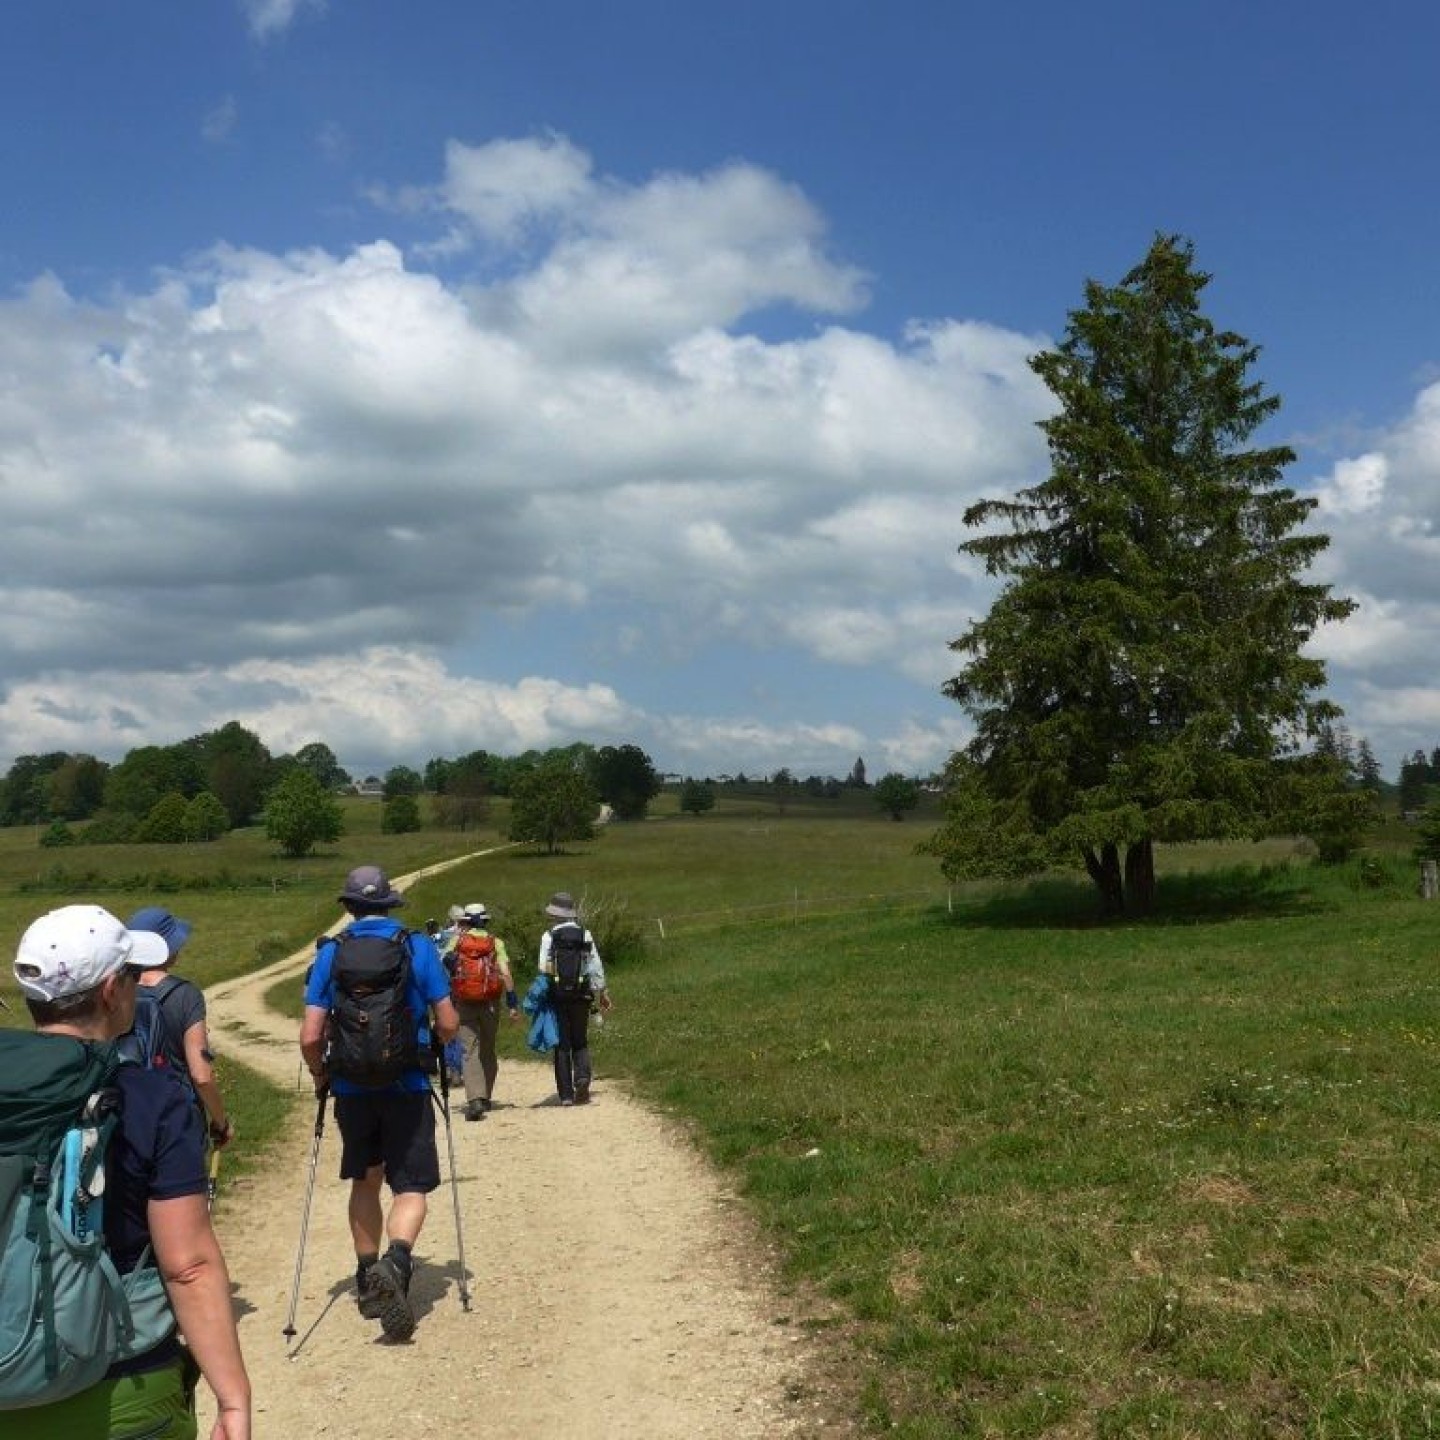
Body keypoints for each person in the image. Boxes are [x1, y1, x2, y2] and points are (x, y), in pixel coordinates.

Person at [7, 904, 251, 1439]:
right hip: (124, 1392)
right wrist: (232, 1399)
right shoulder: (150, 1097)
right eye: (133, 976)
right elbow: (187, 1266)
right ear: (112, 991)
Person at [299, 865, 458, 1342]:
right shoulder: (416, 947)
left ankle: (370, 1279)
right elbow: (448, 1022)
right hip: (407, 1083)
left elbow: (310, 1035)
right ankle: (399, 1260)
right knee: (410, 1184)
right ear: (389, 904)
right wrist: (435, 1046)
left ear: (348, 908)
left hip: (352, 1089)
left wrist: (321, 1072)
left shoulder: (331, 954)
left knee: (366, 1180)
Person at [126, 906, 235, 1152]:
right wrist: (221, 1122)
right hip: (176, 1118)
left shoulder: (117, 992)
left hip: (127, 1115)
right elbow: (201, 1075)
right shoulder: (185, 995)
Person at [536, 891, 612, 1106]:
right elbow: (594, 965)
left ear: (555, 914)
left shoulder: (548, 937)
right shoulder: (585, 935)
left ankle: (566, 1094)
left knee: (561, 1044)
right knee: (580, 1039)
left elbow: (543, 968)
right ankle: (582, 1078)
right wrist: (602, 992)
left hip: (558, 995)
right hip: (581, 994)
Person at [450, 903, 520, 1121]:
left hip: (463, 1001)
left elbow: (444, 964)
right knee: (487, 1049)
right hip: (490, 1002)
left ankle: (474, 1099)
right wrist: (512, 1002)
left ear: (466, 921)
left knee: (469, 1050)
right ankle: (486, 1096)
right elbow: (506, 974)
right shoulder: (495, 942)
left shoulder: (458, 941)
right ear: (486, 920)